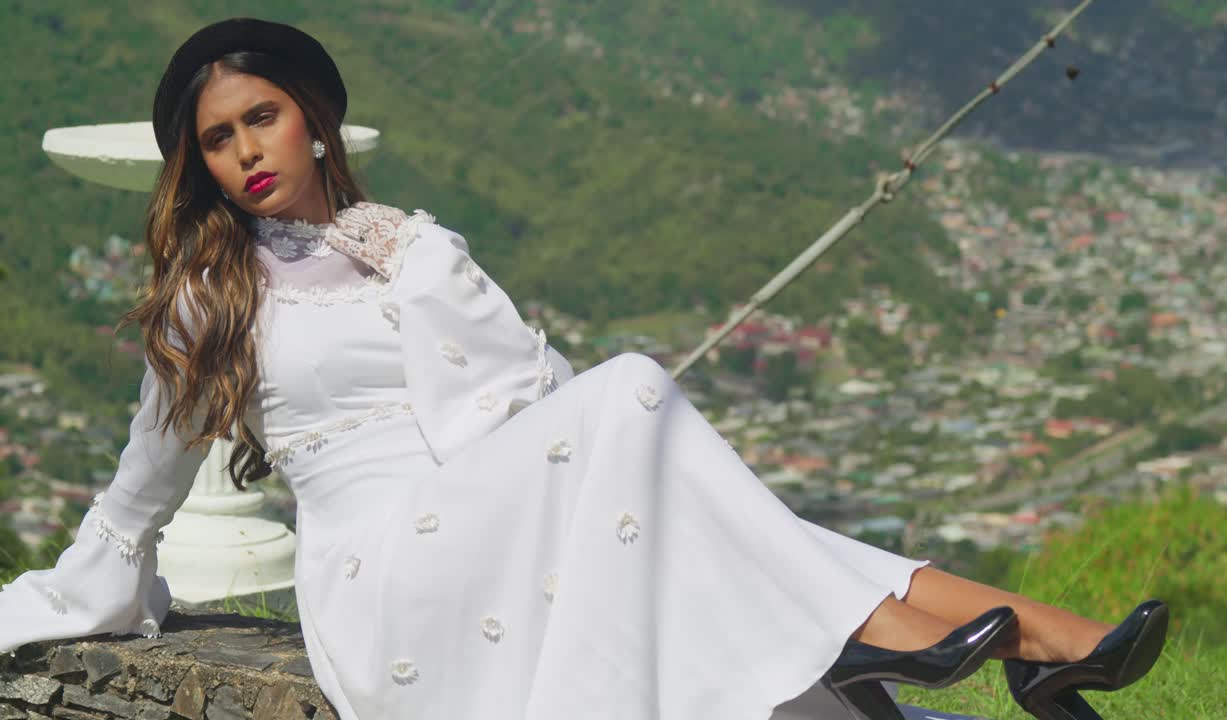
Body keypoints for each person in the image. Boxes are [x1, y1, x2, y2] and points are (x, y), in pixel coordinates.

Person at [0, 17, 1168, 720]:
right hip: (377, 565)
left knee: (651, 441)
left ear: (312, 120)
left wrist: (415, 269)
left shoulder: (411, 248)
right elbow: (138, 491)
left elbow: (518, 393)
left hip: (481, 507)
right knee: (631, 389)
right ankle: (912, 640)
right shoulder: (211, 294)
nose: (246, 150)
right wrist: (59, 599)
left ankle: (1049, 642)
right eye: (217, 138)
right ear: (198, 167)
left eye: (262, 117)